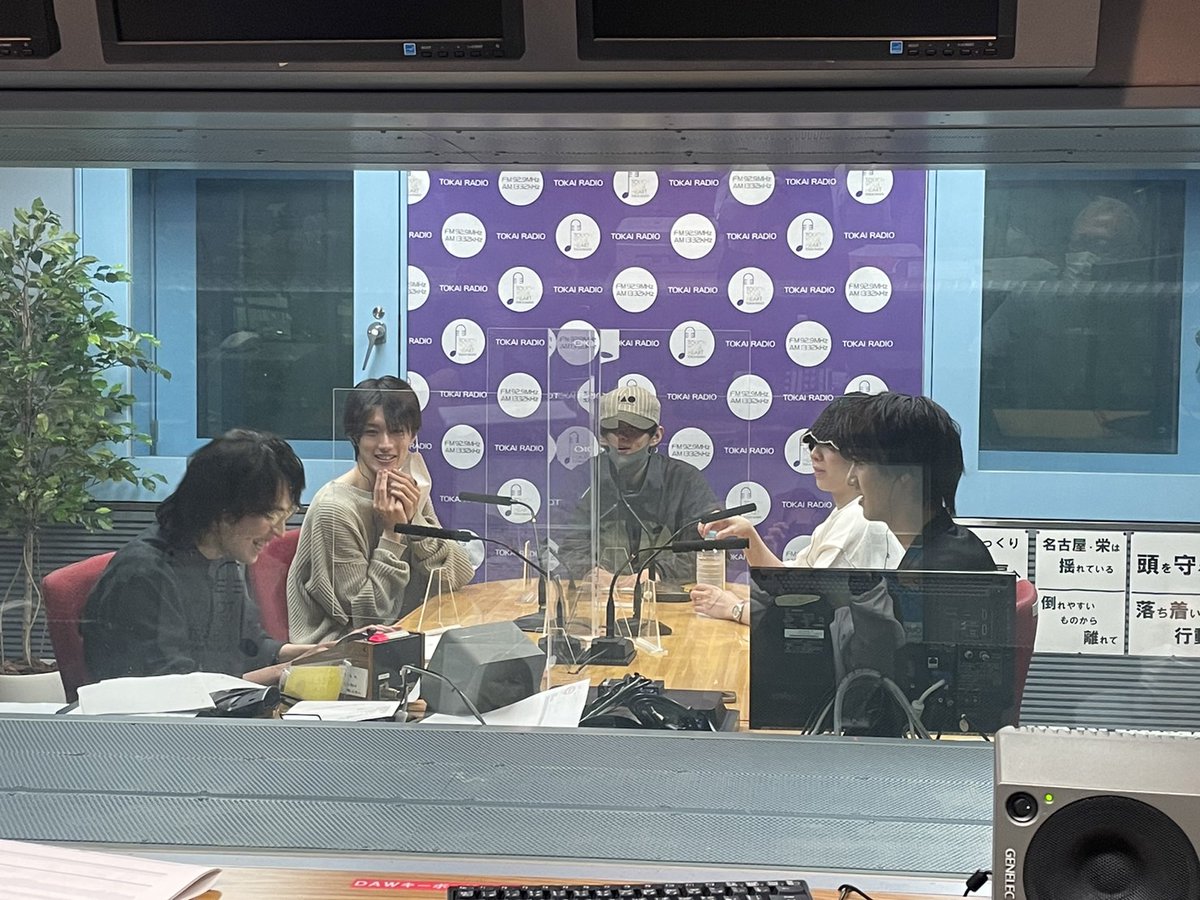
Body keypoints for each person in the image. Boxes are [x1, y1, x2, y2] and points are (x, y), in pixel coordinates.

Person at [82, 429, 344, 685]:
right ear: (223, 508)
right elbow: (173, 690)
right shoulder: (143, 575)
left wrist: (320, 653)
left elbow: (250, 643)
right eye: (270, 515)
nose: (280, 531)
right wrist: (285, 672)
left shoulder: (223, 556)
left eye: (286, 515)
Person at [286, 376, 475, 644]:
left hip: (408, 633)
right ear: (355, 437)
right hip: (344, 648)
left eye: (397, 431)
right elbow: (367, 618)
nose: (385, 444)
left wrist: (415, 523)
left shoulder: (406, 488)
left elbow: (458, 575)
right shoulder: (334, 509)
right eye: (372, 432)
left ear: (412, 436)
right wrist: (392, 535)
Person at [693, 394, 904, 624]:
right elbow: (790, 585)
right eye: (813, 444)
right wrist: (748, 536)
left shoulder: (859, 520)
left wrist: (735, 609)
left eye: (830, 446)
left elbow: (805, 612)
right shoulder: (847, 513)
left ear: (862, 456)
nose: (814, 454)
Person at [557, 384, 719, 588]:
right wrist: (590, 572)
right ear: (601, 436)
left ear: (656, 436)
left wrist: (657, 573)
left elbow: (712, 548)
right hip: (598, 597)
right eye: (614, 429)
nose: (622, 437)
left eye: (633, 430)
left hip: (664, 597)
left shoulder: (684, 480)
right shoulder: (582, 480)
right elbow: (563, 545)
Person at [840, 392, 995, 571]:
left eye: (860, 463)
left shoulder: (939, 569)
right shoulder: (943, 549)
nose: (851, 479)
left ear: (907, 476)